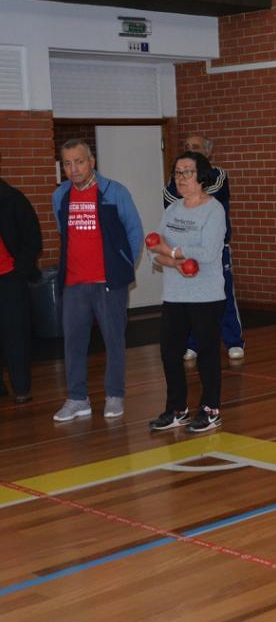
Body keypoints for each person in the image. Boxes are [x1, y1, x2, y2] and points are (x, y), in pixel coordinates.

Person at [52, 139, 143, 422]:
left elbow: (134, 233)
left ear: (91, 162)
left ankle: (114, 394)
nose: (73, 168)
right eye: (67, 163)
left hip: (108, 283)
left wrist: (122, 267)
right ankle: (78, 399)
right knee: (73, 342)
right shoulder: (60, 196)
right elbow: (61, 231)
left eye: (78, 161)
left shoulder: (114, 192)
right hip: (74, 284)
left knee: (114, 340)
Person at [147, 151, 227, 433]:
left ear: (201, 176)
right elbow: (153, 252)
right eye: (177, 173)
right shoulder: (172, 210)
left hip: (206, 296)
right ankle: (176, 409)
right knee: (169, 353)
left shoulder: (214, 210)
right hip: (174, 295)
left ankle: (210, 409)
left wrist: (170, 252)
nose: (181, 178)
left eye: (187, 172)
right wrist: (175, 261)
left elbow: (207, 253)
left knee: (207, 354)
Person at [164, 135, 245, 361]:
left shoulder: (218, 176)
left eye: (196, 148)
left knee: (224, 294)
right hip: (185, 250)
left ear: (208, 153)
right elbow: (171, 199)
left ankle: (233, 341)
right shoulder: (173, 183)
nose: (191, 151)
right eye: (187, 148)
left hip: (215, 250)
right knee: (189, 299)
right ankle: (192, 344)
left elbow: (210, 193)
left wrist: (193, 183)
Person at [0, 169, 42, 404]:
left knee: (16, 335)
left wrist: (20, 272)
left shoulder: (13, 199)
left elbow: (33, 238)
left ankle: (22, 388)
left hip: (9, 279)